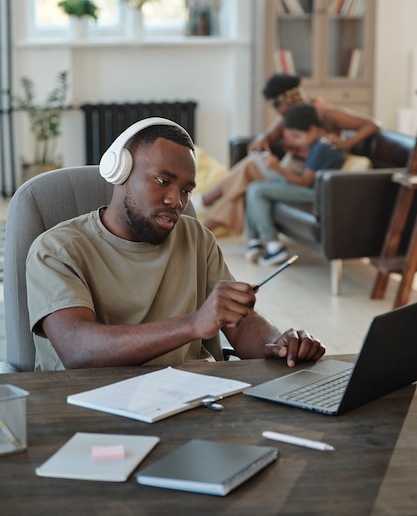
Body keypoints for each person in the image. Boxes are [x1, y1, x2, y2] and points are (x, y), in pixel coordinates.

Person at [26, 117, 325, 371]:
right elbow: (78, 350)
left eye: (186, 189)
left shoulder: (196, 238)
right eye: (162, 181)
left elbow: (240, 323)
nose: (176, 200)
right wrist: (193, 324)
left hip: (193, 400)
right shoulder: (56, 249)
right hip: (89, 410)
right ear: (121, 172)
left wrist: (279, 345)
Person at [197, 73, 380, 234]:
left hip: (306, 172)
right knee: (247, 176)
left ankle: (204, 211)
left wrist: (347, 143)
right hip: (292, 168)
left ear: (284, 102)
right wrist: (262, 139)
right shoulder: (287, 117)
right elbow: (268, 136)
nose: (278, 113)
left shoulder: (325, 114)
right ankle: (204, 227)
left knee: (249, 172)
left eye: (277, 106)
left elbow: (372, 124)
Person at [245, 104, 345, 266]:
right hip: (309, 188)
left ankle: (273, 245)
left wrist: (278, 168)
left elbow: (306, 182)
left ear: (312, 129)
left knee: (257, 190)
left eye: (298, 136)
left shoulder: (322, 148)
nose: (297, 141)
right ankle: (254, 239)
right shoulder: (319, 145)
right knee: (254, 184)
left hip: (316, 193)